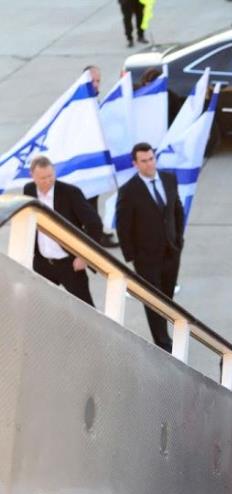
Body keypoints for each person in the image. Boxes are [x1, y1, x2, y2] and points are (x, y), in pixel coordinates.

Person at [116, 143, 184, 352]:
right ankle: (162, 342)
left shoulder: (169, 179)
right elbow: (123, 225)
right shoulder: (129, 190)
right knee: (153, 300)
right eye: (144, 161)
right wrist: (132, 256)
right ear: (135, 164)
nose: (149, 164)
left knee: (167, 295)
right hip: (146, 257)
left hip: (171, 251)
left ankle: (166, 333)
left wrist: (179, 240)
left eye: (151, 158)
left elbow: (177, 210)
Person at [23, 155, 103, 306]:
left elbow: (94, 224)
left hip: (70, 265)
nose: (47, 181)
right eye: (42, 178)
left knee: (85, 311)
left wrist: (84, 256)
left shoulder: (70, 193)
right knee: (43, 308)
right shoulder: (28, 190)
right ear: (32, 176)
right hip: (42, 264)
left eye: (50, 176)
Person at [82, 65, 120, 249]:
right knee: (87, 200)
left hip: (95, 158)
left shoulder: (92, 100)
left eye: (98, 81)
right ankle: (93, 235)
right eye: (93, 81)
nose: (97, 85)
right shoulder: (81, 104)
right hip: (86, 161)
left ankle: (93, 233)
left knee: (92, 198)